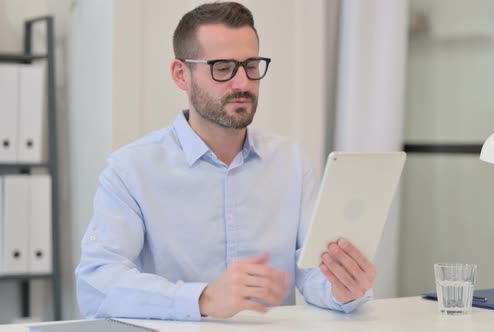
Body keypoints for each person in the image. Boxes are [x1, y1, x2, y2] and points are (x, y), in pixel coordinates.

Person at [76, 2, 376, 321]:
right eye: (222, 68)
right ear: (181, 74)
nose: (243, 83)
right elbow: (97, 284)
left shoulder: (291, 162)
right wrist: (202, 299)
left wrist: (341, 289)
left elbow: (312, 271)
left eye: (250, 65)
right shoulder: (131, 169)